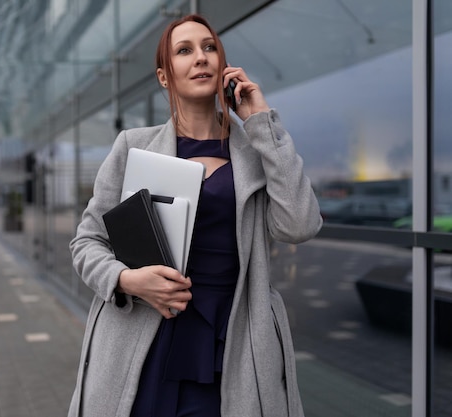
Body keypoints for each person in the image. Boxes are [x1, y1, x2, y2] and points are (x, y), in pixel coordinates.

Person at [68, 13, 322, 417]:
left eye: (209, 48)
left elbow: (300, 225)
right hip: (144, 337)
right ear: (165, 77)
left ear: (224, 66)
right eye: (184, 51)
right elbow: (86, 242)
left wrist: (260, 122)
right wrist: (127, 280)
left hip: (234, 339)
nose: (200, 57)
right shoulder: (133, 147)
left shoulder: (256, 153)